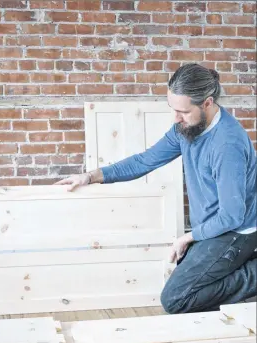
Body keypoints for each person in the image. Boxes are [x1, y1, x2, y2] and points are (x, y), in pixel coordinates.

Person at [56, 63, 257, 314]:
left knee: (176, 299)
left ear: (207, 103)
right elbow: (145, 160)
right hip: (213, 227)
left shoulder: (227, 145)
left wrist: (187, 237)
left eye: (183, 111)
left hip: (235, 232)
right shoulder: (187, 128)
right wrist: (90, 176)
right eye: (173, 109)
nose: (176, 118)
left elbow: (232, 215)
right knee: (191, 282)